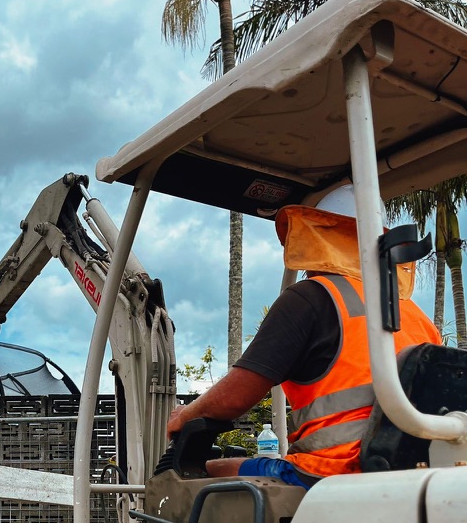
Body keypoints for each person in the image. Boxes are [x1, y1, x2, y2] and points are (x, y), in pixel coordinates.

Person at [166, 185, 441, 489]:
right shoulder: (415, 315)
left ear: (316, 239)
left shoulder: (312, 297)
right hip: (414, 475)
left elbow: (233, 399)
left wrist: (186, 414)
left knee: (206, 472)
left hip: (333, 472)